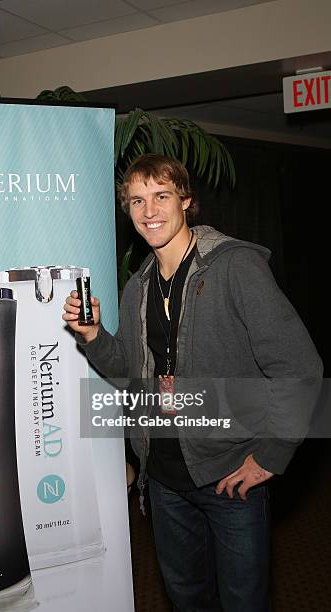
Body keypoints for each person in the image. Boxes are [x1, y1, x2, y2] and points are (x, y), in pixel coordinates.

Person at [63, 154, 322, 611]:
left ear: (186, 200)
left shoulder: (234, 268)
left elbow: (299, 366)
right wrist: (93, 337)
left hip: (230, 475)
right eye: (137, 201)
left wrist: (271, 454)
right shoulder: (137, 287)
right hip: (163, 479)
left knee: (244, 602)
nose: (149, 211)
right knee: (186, 599)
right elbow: (128, 371)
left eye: (161, 196)